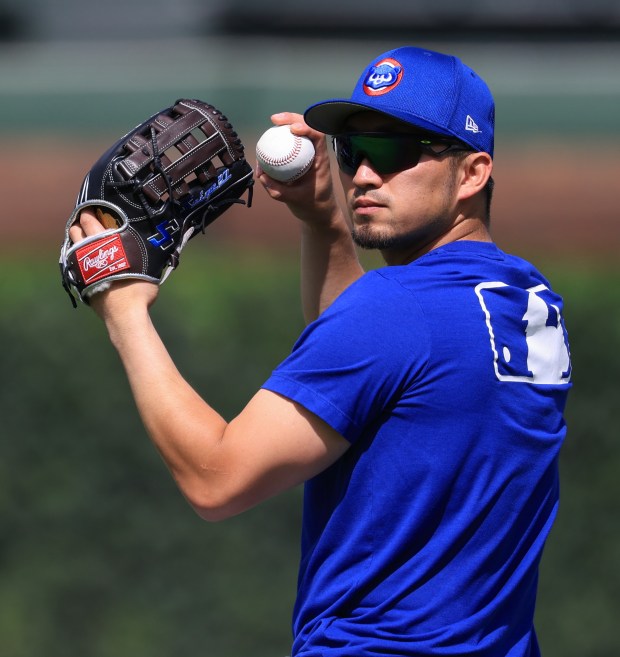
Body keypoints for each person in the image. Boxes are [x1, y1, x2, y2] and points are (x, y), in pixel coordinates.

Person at [70, 46, 572, 656]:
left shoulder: (395, 309)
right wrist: (325, 224)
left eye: (392, 152)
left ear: (472, 173)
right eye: (352, 151)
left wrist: (124, 311)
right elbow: (378, 372)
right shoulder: (523, 297)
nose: (362, 175)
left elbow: (215, 480)